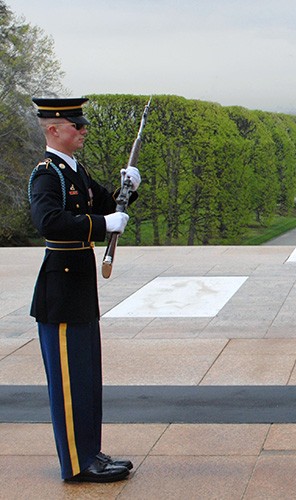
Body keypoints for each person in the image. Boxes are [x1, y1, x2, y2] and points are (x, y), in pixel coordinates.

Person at [28, 97, 141, 483]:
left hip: (78, 287)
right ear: (53, 129)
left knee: (86, 377)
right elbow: (50, 222)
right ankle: (77, 464)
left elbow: (111, 205)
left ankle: (91, 453)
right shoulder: (48, 174)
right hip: (59, 293)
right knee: (70, 384)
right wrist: (102, 223)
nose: (82, 130)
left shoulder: (74, 171)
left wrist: (129, 189)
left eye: (82, 124)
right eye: (75, 125)